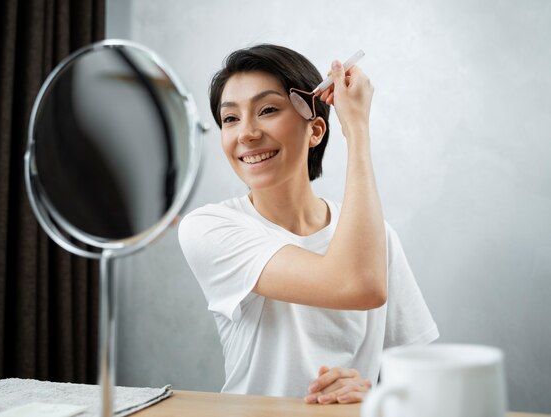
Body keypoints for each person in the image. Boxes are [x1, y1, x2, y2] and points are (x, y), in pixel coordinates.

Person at [178, 44, 438, 404]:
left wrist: (377, 394)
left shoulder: (375, 237)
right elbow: (355, 284)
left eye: (267, 110)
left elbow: (422, 375)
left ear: (315, 131)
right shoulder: (208, 229)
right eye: (231, 119)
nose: (246, 133)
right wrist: (357, 129)